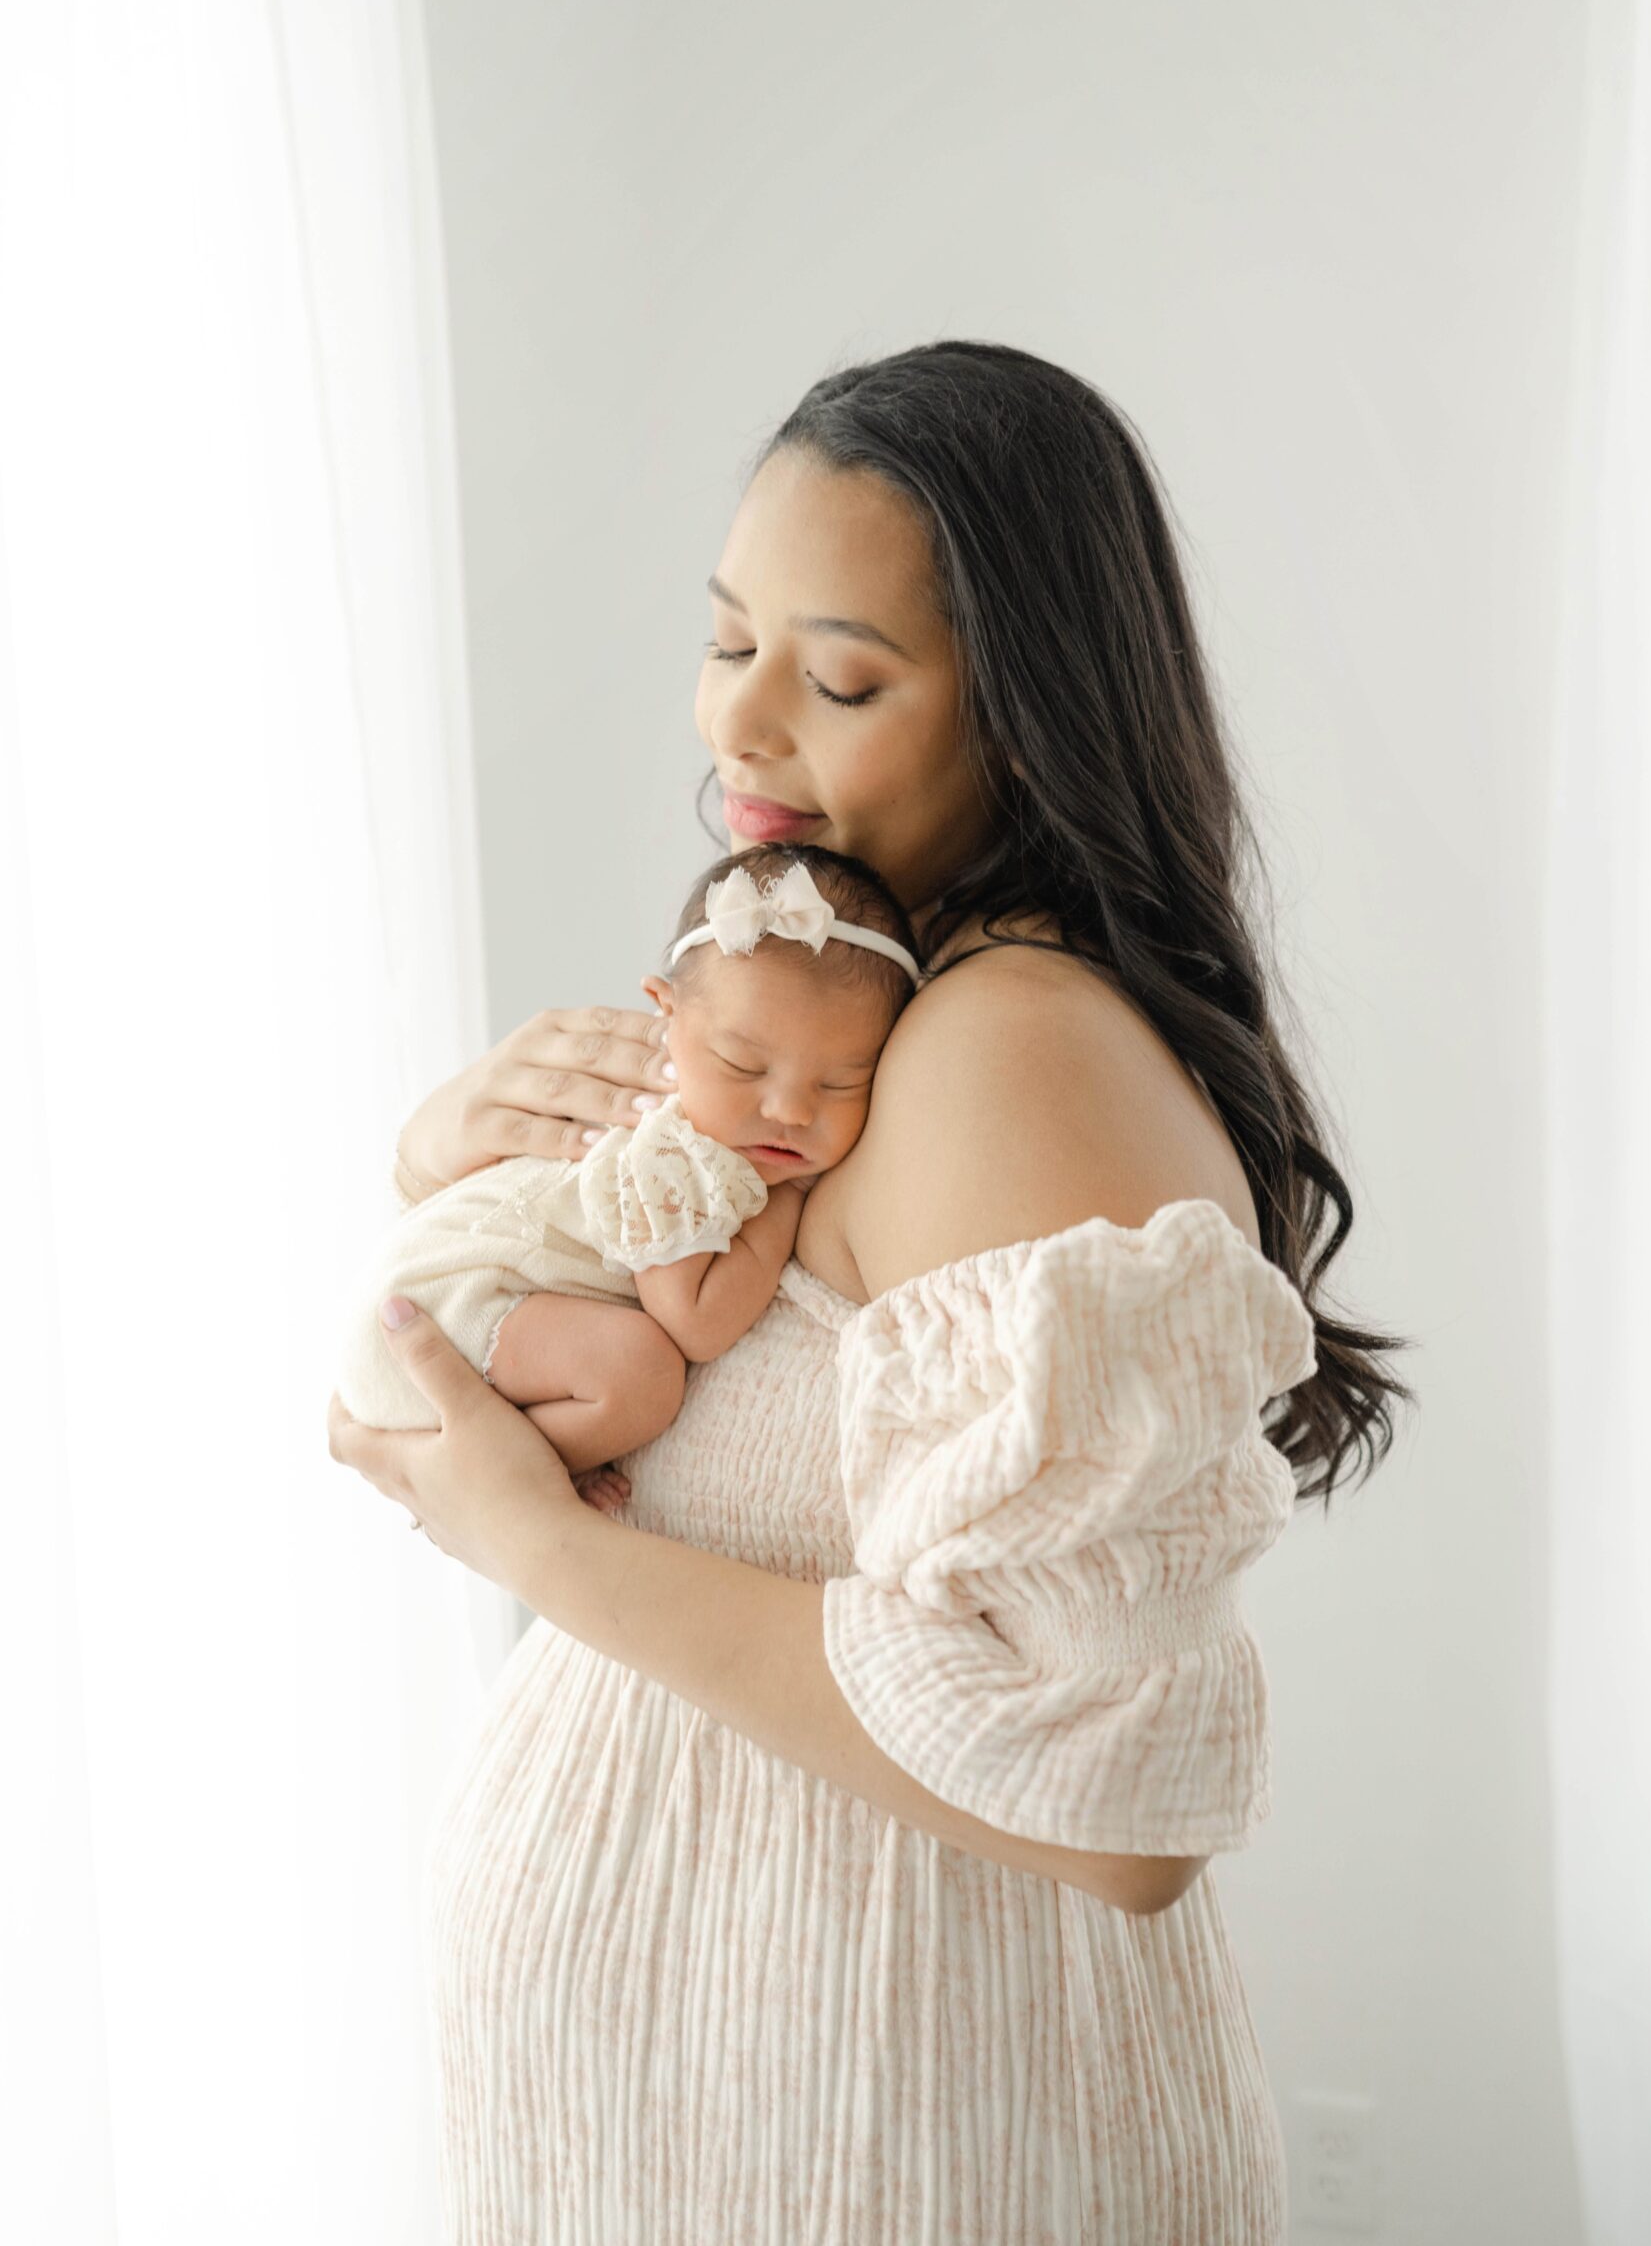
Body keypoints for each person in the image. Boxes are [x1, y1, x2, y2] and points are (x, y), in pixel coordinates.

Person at [327, 337, 1414, 2243]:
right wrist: (445, 1163)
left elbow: (1117, 1804)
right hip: (717, 2086)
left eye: (836, 677)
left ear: (1026, 716)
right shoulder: (864, 995)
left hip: (877, 2100)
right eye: (726, 639)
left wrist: (535, 1545)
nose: (738, 730)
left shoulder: (1008, 1045)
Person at [332, 845, 921, 1485]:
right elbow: (694, 1321)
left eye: (841, 1083)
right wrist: (791, 1196)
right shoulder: (672, 1153)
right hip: (433, 1309)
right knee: (644, 1373)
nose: (790, 1110)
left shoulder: (729, 1138)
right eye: (743, 1067)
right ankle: (506, 1475)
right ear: (665, 1015)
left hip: (440, 1311)